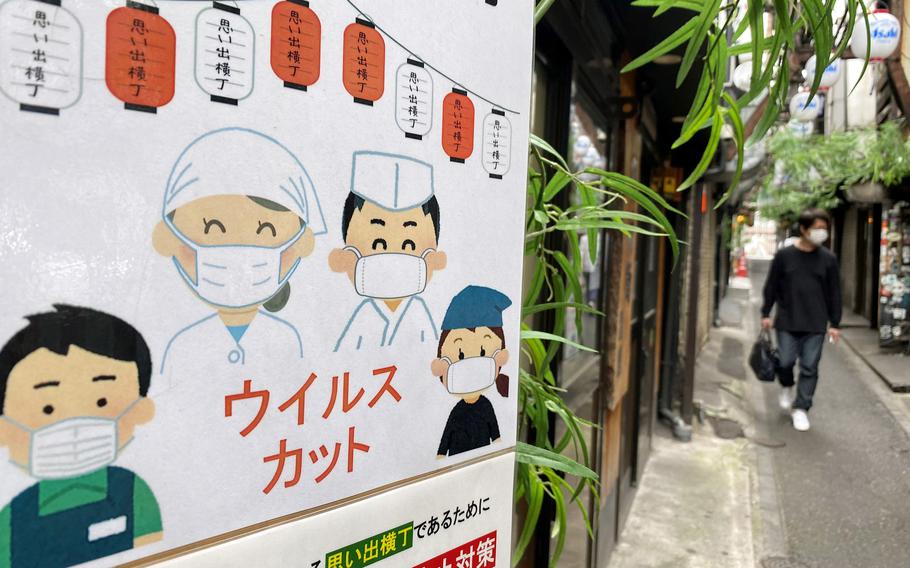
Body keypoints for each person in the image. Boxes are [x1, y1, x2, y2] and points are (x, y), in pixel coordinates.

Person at [152, 128, 326, 377]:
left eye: (266, 231)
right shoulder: (183, 345)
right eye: (212, 228)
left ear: (300, 244)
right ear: (168, 238)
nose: (239, 253)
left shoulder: (287, 337)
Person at [0, 305, 161, 567]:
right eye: (47, 408)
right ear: (4, 429)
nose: (75, 424)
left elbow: (154, 550)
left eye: (101, 401)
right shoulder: (14, 515)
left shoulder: (133, 492)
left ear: (141, 409)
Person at [330, 151, 447, 352]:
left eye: (409, 245)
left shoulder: (419, 311)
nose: (392, 259)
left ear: (434, 258)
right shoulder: (364, 316)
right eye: (378, 244)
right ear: (346, 256)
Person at [761, 208, 842, 432]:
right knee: (785, 361)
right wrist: (766, 312)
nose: (822, 233)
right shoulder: (784, 256)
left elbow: (835, 293)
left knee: (810, 367)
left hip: (816, 324)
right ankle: (786, 385)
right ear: (804, 229)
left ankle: (801, 408)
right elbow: (772, 285)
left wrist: (835, 323)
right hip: (787, 320)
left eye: (825, 229)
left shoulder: (828, 259)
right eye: (817, 228)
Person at [432, 286, 511, 457]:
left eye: (484, 352)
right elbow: (447, 435)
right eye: (460, 355)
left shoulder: (486, 406)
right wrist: (440, 454)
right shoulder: (457, 410)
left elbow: (496, 434)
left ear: (501, 356)